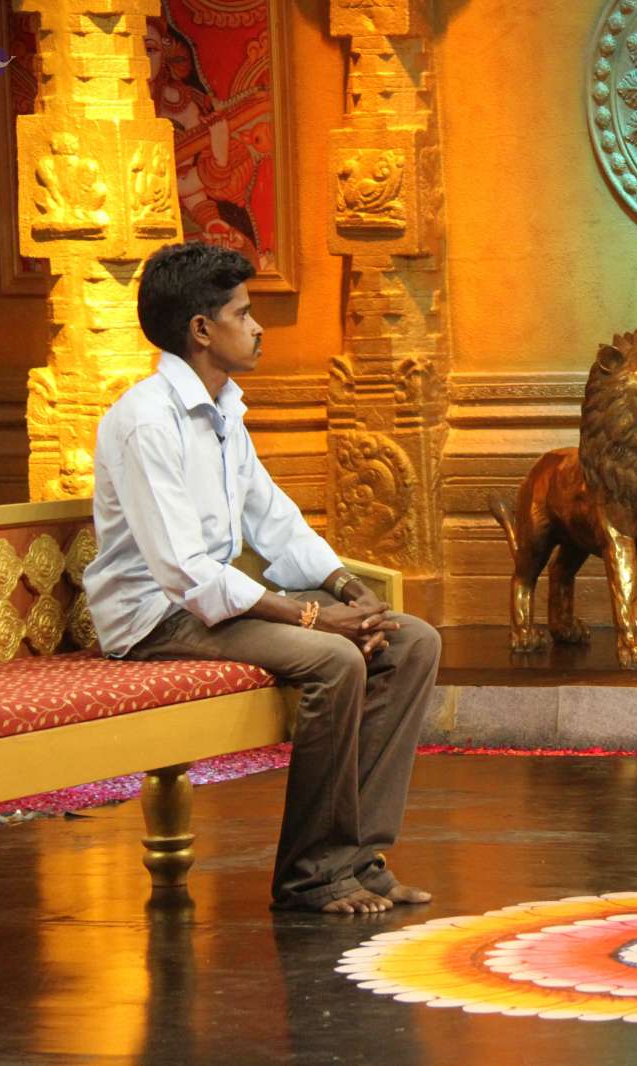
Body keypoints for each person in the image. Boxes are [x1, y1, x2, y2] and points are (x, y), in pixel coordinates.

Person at [83, 242, 442, 914]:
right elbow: (186, 575)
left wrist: (346, 590)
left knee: (412, 640)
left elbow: (275, 520)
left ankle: (358, 857)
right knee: (335, 659)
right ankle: (312, 872)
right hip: (157, 619)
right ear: (201, 329)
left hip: (211, 604)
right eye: (243, 314)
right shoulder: (145, 422)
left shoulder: (224, 410)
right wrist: (316, 619)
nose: (257, 328)